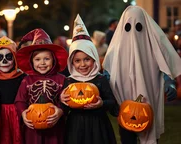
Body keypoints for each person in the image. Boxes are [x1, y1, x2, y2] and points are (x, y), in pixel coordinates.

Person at [103, 6, 181, 144]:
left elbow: (165, 65)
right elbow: (108, 71)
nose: (133, 33)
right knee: (127, 135)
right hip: (124, 102)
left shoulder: (154, 48)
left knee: (149, 131)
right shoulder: (115, 50)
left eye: (138, 27)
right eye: (128, 27)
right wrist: (110, 94)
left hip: (148, 98)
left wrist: (169, 82)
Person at [60, 14, 118, 144]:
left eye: (87, 59)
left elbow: (112, 102)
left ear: (94, 59)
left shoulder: (100, 79)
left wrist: (102, 103)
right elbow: (63, 109)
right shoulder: (69, 81)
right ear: (71, 62)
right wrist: (62, 100)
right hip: (75, 126)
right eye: (77, 61)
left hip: (98, 125)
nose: (82, 64)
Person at [14, 28, 68, 144]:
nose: (42, 63)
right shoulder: (27, 81)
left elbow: (67, 100)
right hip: (32, 127)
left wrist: (60, 111)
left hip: (55, 126)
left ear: (53, 60)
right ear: (31, 62)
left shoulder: (61, 80)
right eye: (37, 59)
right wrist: (23, 113)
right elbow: (20, 100)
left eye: (46, 59)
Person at [0, 36, 26, 144]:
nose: (4, 61)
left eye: (8, 57)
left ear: (15, 58)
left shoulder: (22, 77)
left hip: (17, 115)